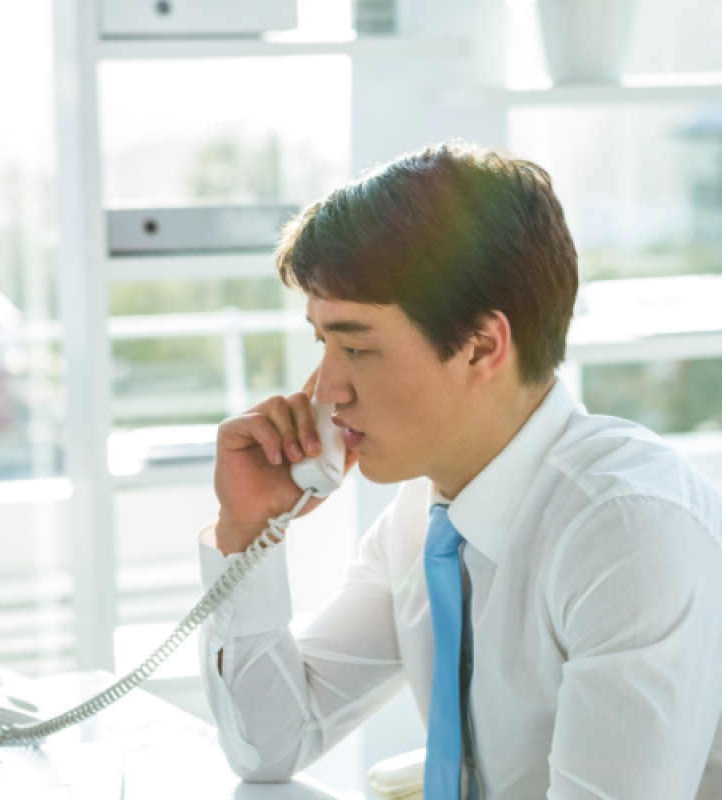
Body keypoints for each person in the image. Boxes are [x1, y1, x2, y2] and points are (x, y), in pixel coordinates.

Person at [197, 141, 722, 799]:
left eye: (357, 346)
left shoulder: (627, 533)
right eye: (322, 342)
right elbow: (269, 745)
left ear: (481, 347)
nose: (325, 389)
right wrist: (247, 530)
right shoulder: (425, 523)